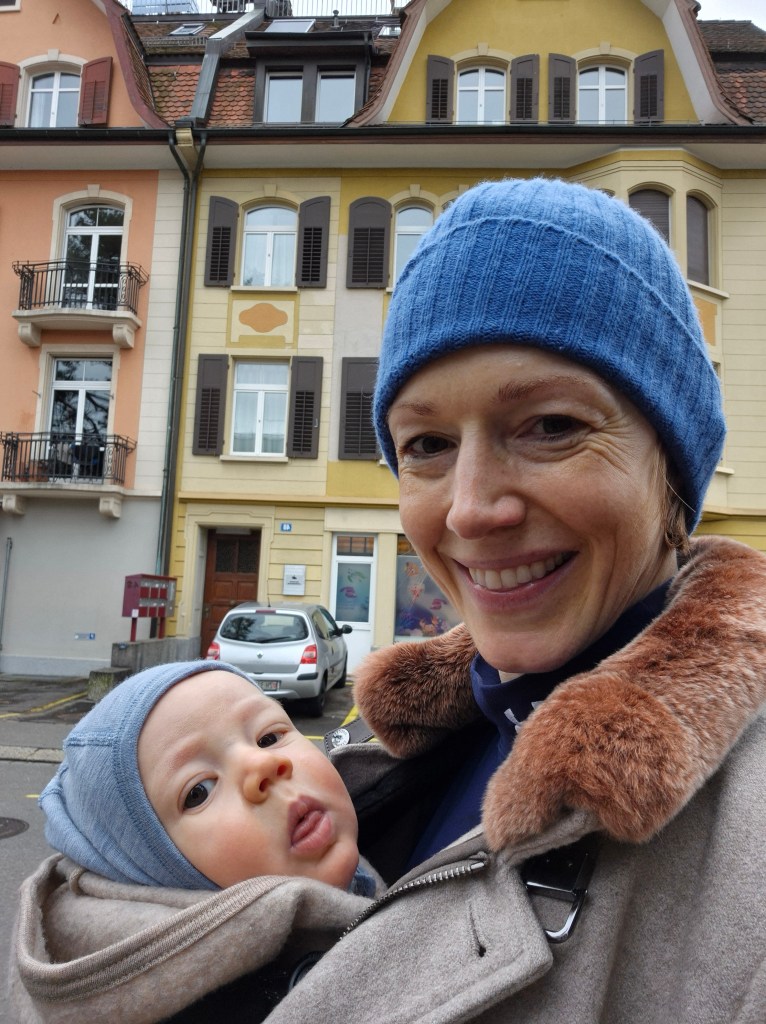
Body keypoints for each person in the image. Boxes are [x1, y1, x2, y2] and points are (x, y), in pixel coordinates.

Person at [254, 178, 766, 1024]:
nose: (469, 509)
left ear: (671, 465)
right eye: (426, 443)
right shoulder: (426, 746)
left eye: (551, 426)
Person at [10, 660, 380, 1023]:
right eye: (198, 791)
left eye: (269, 737)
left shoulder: (383, 846)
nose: (262, 765)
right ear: (155, 871)